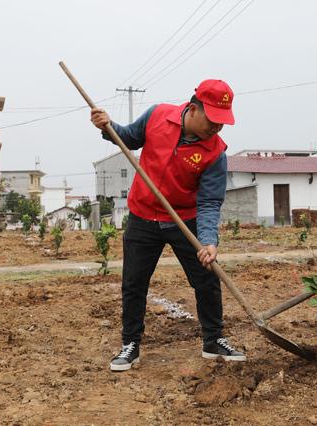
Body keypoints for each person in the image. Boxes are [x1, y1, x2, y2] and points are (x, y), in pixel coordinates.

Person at [91, 79, 246, 372]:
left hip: (185, 218)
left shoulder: (215, 152)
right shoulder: (157, 115)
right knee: (134, 282)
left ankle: (213, 340)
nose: (217, 128)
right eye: (212, 119)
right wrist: (107, 126)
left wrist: (209, 241)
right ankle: (131, 344)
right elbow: (128, 138)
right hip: (143, 214)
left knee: (207, 278)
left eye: (222, 122)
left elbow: (210, 202)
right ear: (193, 108)